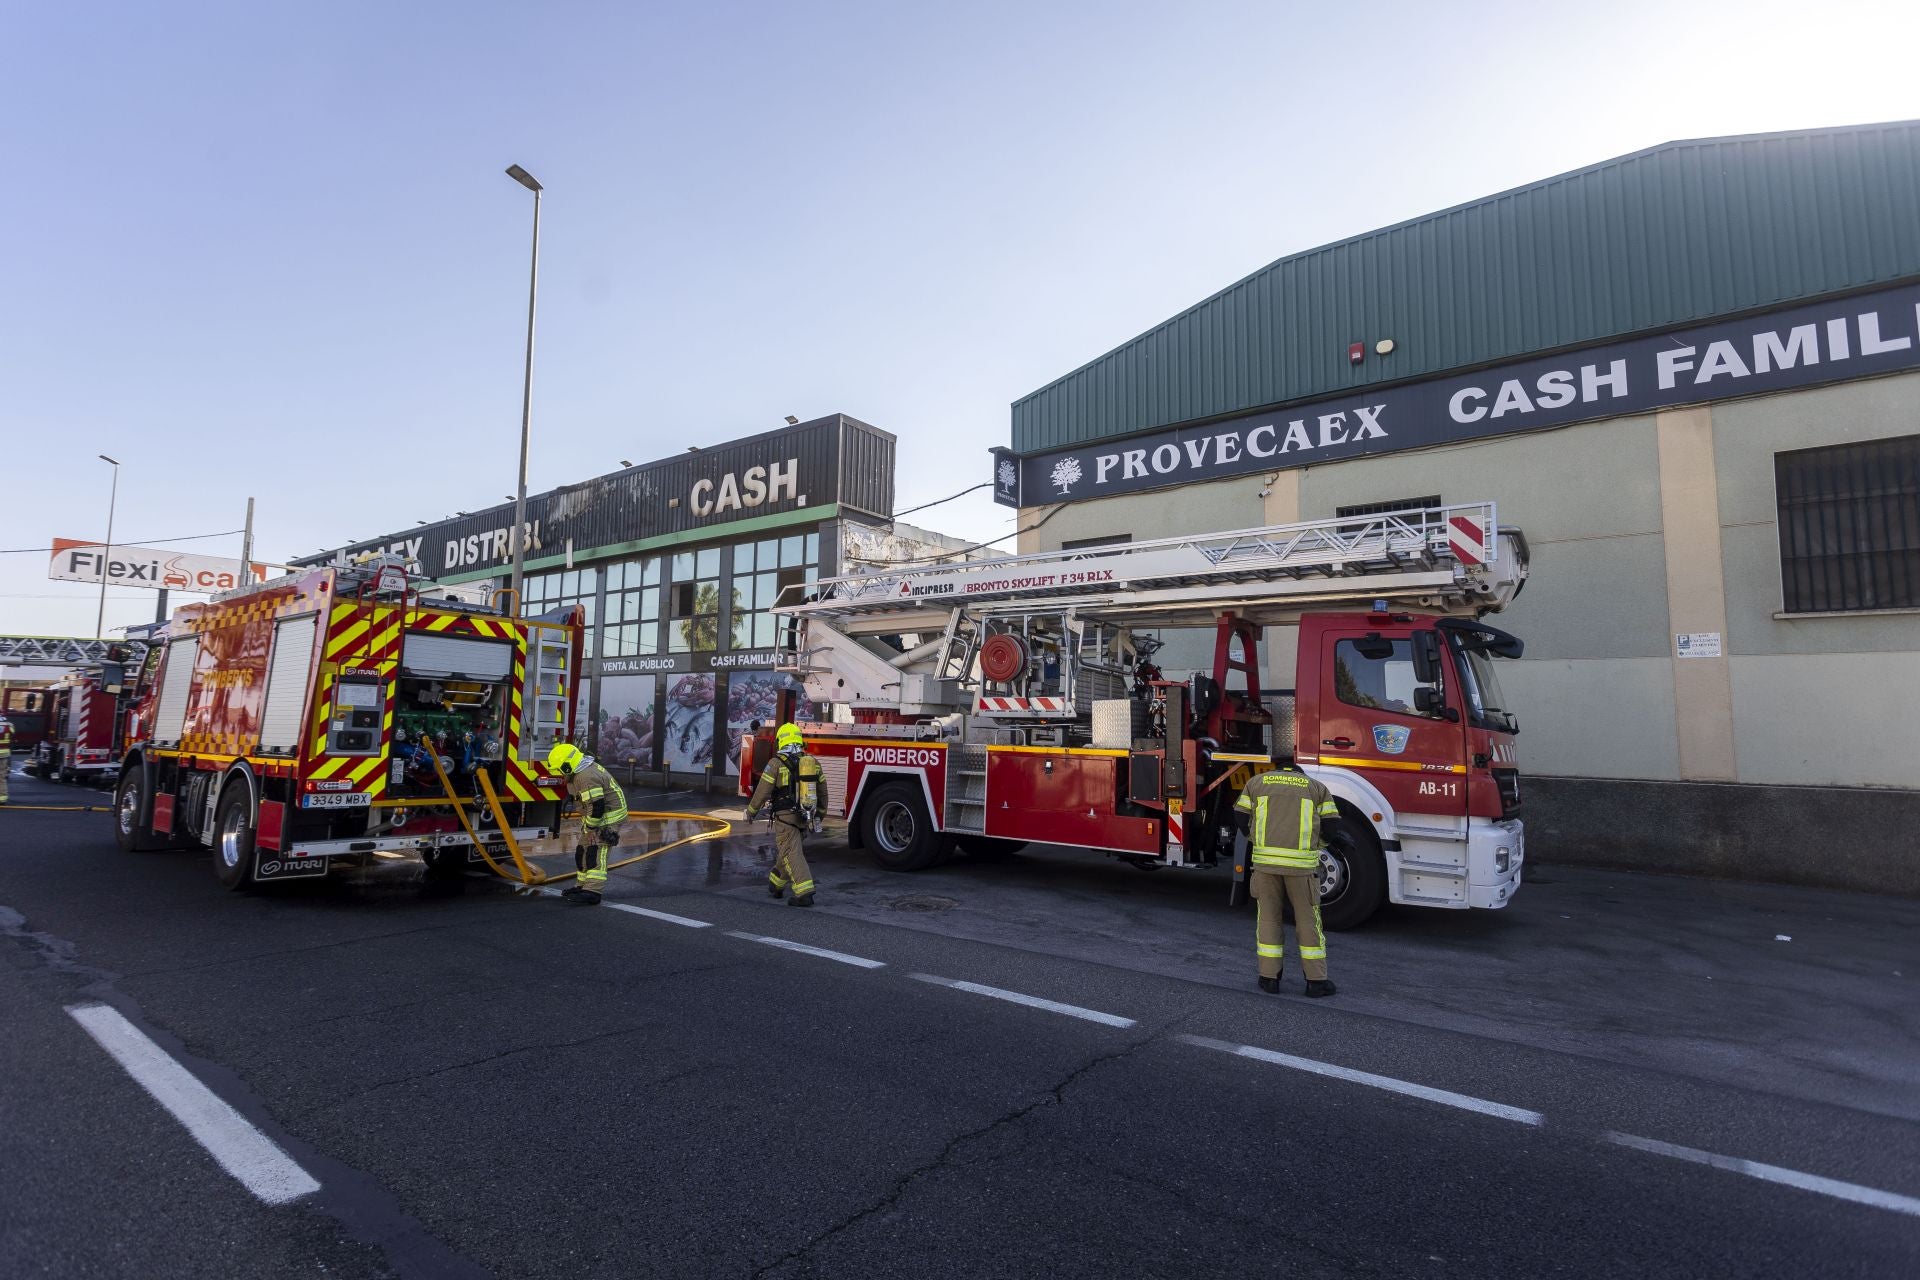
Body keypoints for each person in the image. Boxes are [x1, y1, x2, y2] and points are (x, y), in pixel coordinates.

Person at [1234, 754, 1342, 997]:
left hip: (1265, 866)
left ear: (1278, 769)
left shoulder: (1257, 783)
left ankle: (1269, 979)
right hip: (1301, 869)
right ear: (1298, 770)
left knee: (1268, 920)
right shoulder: (1316, 787)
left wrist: (1255, 839)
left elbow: (1240, 817)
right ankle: (1316, 981)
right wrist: (1318, 844)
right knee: (1308, 922)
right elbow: (1333, 825)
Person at [744, 723, 827, 907]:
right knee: (789, 849)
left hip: (785, 817)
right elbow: (822, 792)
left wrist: (751, 811)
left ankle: (804, 892)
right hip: (806, 816)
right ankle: (776, 883)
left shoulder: (775, 764)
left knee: (790, 851)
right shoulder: (812, 763)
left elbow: (763, 791)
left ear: (781, 741)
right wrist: (819, 814)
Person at [546, 743, 628, 904]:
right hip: (598, 817)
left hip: (607, 818)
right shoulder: (580, 771)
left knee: (596, 851)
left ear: (567, 766)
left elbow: (597, 807)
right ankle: (582, 886)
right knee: (582, 850)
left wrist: (590, 829)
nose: (560, 774)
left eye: (560, 770)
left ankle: (593, 891)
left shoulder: (586, 776)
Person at [0, 714, 12, 805]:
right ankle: (2, 798)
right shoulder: (8, 724)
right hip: (4, 754)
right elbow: (13, 733)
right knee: (1, 777)